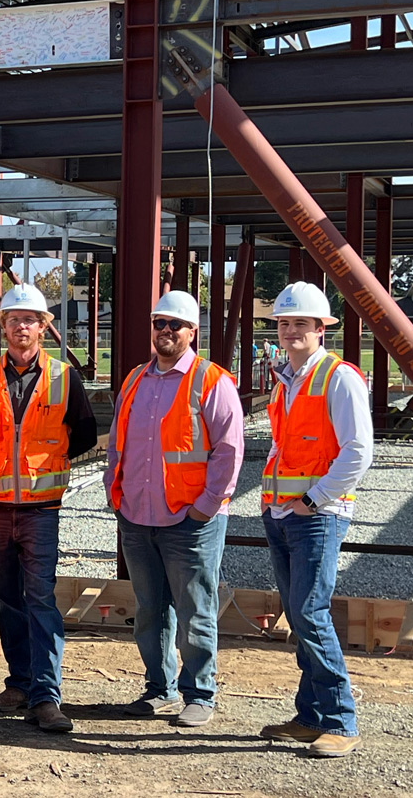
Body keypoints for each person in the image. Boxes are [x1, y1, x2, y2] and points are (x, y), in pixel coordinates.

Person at [104, 290, 244, 728]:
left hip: (190, 521)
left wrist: (206, 507)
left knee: (195, 610)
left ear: (192, 332)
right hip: (138, 517)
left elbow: (229, 450)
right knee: (150, 610)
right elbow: (117, 443)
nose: (165, 332)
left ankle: (199, 693)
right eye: (159, 324)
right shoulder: (133, 380)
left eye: (175, 325)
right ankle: (158, 688)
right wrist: (116, 494)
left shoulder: (211, 381)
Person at [0, 284, 98, 733]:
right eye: (12, 319)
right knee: (6, 599)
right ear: (3, 326)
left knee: (40, 599)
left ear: (44, 327)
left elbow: (83, 433)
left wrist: (48, 461)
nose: (20, 326)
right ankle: (20, 683)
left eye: (29, 319)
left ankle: (46, 696)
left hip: (42, 509)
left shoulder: (64, 377)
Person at [259, 282, 372, 758]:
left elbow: (358, 451)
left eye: (300, 323)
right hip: (283, 513)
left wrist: (316, 499)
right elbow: (286, 446)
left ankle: (340, 720)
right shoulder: (289, 378)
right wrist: (277, 503)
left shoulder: (338, 377)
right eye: (284, 323)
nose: (290, 331)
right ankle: (310, 716)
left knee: (310, 613)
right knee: (301, 616)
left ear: (322, 328)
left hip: (316, 516)